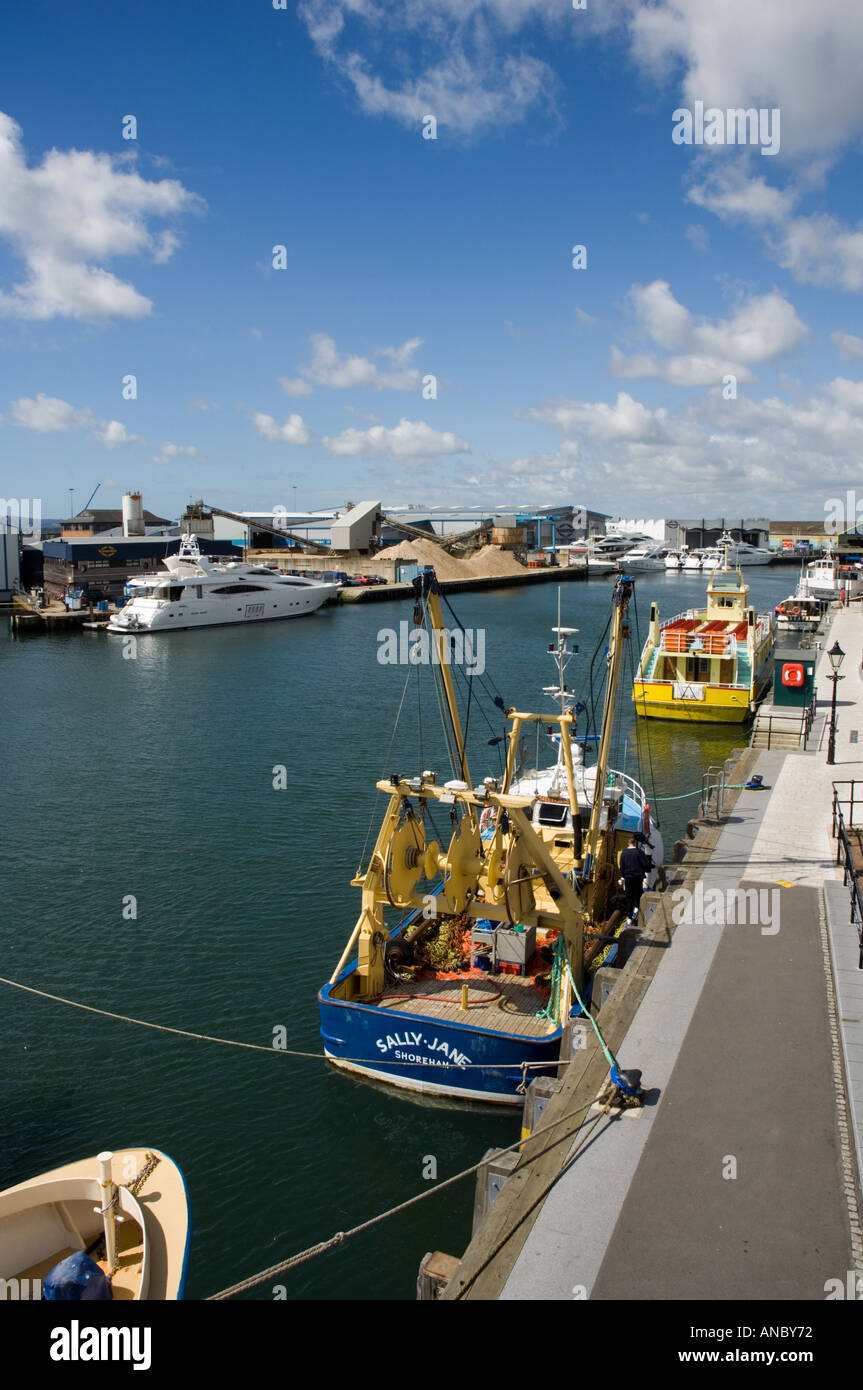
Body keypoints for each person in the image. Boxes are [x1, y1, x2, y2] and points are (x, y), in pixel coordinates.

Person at [619, 836, 653, 920]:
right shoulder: (639, 852)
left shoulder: (624, 853)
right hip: (638, 877)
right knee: (638, 894)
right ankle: (638, 909)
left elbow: (621, 866)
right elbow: (645, 864)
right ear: (635, 843)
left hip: (628, 878)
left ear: (628, 843)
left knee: (629, 896)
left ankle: (629, 916)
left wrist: (623, 875)